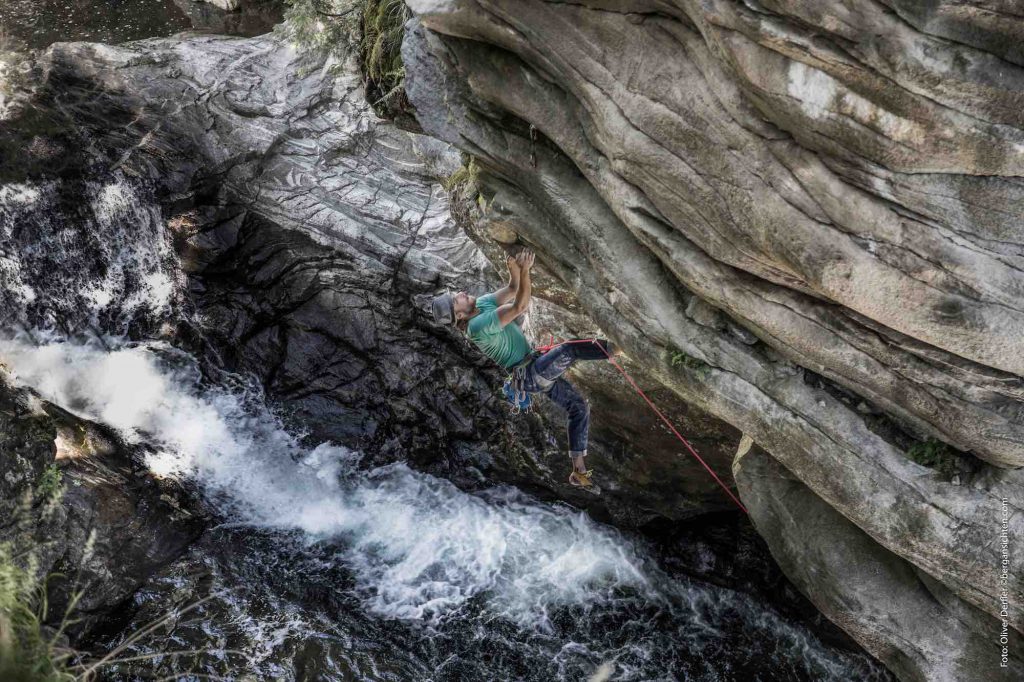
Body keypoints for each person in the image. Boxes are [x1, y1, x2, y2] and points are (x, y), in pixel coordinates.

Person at [430, 249, 619, 491]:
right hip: (531, 374)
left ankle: (578, 470)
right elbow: (519, 306)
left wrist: (515, 270)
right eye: (457, 299)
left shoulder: (481, 304)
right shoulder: (476, 327)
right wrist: (526, 270)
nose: (460, 293)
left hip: (533, 370)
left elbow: (511, 289)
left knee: (578, 407)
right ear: (458, 314)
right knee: (569, 350)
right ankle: (615, 348)